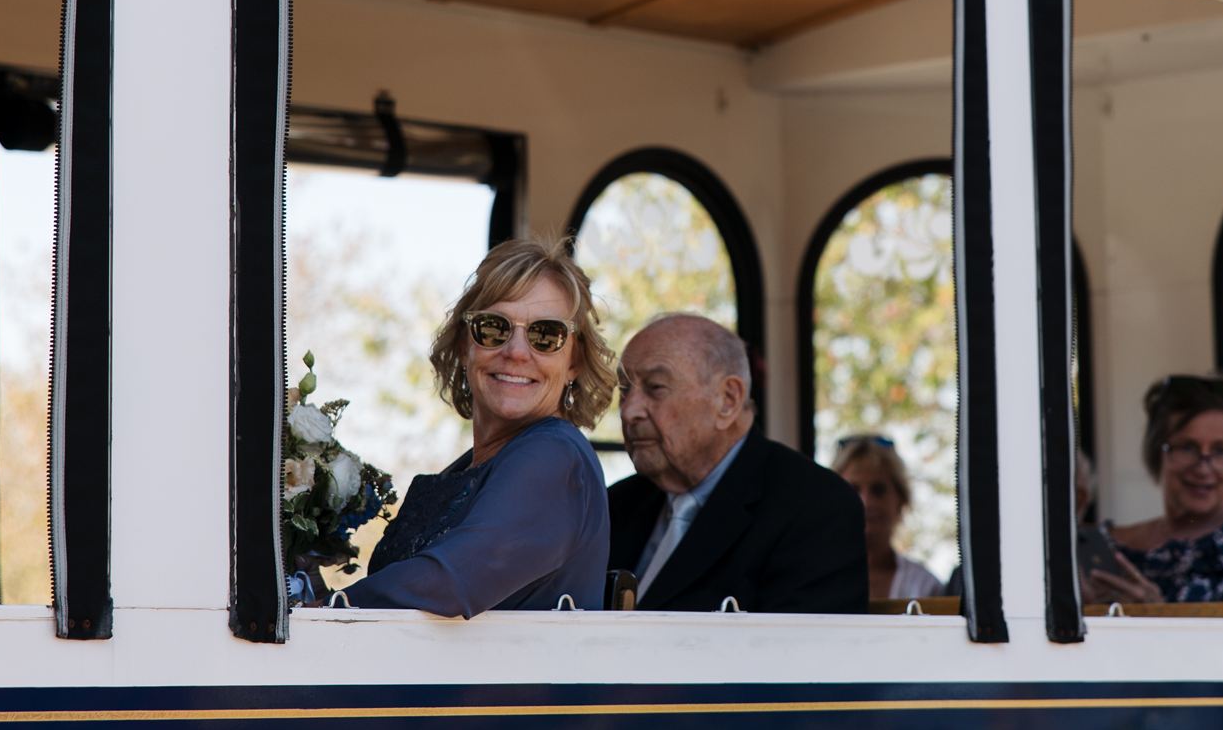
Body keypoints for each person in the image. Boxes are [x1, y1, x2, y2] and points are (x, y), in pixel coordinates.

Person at [341, 238, 613, 616]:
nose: (517, 351)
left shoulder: (554, 457)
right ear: (465, 345)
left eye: (546, 335)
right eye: (493, 328)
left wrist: (326, 607)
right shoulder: (474, 466)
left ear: (574, 362)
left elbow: (450, 583)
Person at [609, 314, 866, 613]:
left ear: (728, 400)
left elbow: (803, 655)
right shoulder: (616, 505)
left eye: (655, 388)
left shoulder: (816, 508)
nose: (629, 412)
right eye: (625, 390)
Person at [1082, 375, 1223, 606]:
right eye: (1187, 448)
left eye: (1220, 451)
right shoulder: (1105, 544)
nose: (1203, 468)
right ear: (1157, 452)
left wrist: (1155, 616)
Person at [833, 433, 944, 600]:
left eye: (878, 490)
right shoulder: (812, 581)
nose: (866, 502)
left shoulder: (925, 586)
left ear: (900, 500)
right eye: (853, 490)